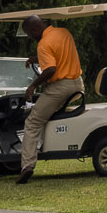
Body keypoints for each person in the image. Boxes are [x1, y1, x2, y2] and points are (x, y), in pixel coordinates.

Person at [16, 14, 84, 184]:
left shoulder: (43, 44)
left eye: (29, 34)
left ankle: (27, 166)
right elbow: (58, 54)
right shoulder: (63, 32)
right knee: (46, 112)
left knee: (32, 122)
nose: (30, 38)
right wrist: (36, 59)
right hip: (78, 84)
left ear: (35, 29)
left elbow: (51, 69)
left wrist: (33, 86)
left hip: (60, 88)